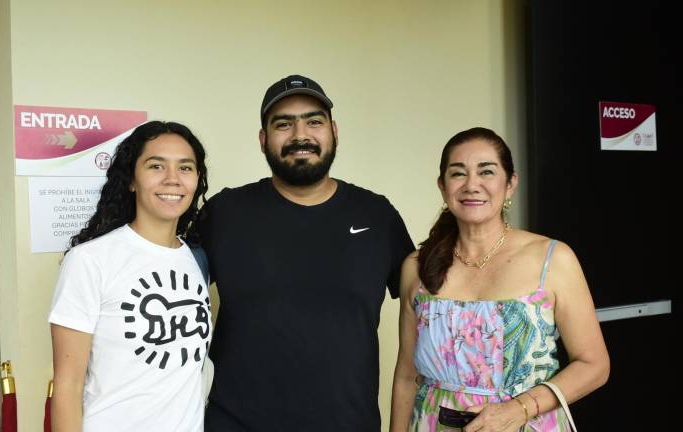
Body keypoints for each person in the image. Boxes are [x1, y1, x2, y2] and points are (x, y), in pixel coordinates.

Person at [197, 74, 415, 431]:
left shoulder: (377, 215)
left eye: (314, 121)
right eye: (284, 124)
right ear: (263, 139)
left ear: (334, 132)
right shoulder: (224, 213)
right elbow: (163, 282)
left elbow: (432, 305)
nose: (301, 135)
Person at [390, 127, 610, 431]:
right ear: (442, 187)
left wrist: (520, 408)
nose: (472, 185)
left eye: (487, 172)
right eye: (458, 174)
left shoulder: (553, 259)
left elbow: (594, 365)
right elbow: (406, 376)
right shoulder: (416, 267)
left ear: (510, 184)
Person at [48, 121, 212, 432]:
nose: (172, 179)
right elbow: (67, 387)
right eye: (156, 166)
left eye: (185, 168)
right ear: (131, 180)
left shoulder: (197, 260)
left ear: (197, 179)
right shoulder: (89, 261)